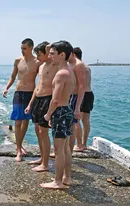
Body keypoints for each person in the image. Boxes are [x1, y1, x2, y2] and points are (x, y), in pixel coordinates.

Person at [40, 41, 75, 189]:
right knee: (65, 147)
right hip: (67, 110)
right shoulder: (69, 71)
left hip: (60, 111)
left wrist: (48, 115)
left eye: (52, 53)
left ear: (62, 55)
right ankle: (67, 177)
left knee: (59, 149)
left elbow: (55, 99)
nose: (50, 56)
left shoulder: (61, 74)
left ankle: (57, 181)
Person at [2, 38, 42, 162]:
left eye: (24, 48)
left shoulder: (37, 62)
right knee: (18, 122)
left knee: (25, 121)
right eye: (21, 48)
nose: (22, 51)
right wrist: (7, 88)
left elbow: (43, 78)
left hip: (31, 93)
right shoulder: (18, 60)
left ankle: (19, 146)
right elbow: (13, 76)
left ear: (31, 48)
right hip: (18, 93)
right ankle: (18, 150)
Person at [25, 41, 58, 172]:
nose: (37, 57)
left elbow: (51, 48)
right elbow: (38, 86)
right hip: (37, 99)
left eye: (39, 54)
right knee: (38, 131)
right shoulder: (41, 66)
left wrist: (47, 47)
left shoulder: (54, 64)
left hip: (47, 99)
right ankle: (42, 158)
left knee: (43, 132)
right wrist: (30, 104)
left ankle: (45, 164)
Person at [73, 47, 94, 151]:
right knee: (86, 121)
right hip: (89, 93)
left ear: (74, 55)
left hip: (81, 95)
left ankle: (79, 144)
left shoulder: (77, 66)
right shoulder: (87, 67)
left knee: (76, 120)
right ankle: (84, 144)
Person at [67, 47, 87, 154]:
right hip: (69, 96)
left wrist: (78, 107)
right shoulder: (70, 64)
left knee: (74, 122)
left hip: (75, 97)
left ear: (72, 54)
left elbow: (81, 86)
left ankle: (76, 146)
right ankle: (66, 149)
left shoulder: (78, 65)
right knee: (69, 123)